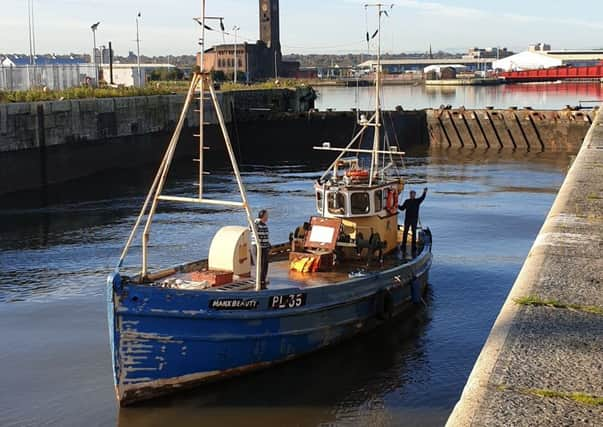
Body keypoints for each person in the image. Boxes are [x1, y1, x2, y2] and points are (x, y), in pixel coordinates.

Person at [398, 188, 428, 255]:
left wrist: (424, 192)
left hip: (414, 219)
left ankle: (414, 246)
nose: (412, 195)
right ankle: (403, 245)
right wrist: (397, 205)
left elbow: (422, 198)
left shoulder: (417, 201)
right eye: (411, 194)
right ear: (409, 195)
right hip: (407, 219)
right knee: (405, 232)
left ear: (415, 195)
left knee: (414, 232)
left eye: (413, 194)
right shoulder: (407, 201)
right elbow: (402, 208)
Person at [250, 209, 271, 289]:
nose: (268, 217)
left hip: (265, 246)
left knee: (265, 264)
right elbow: (251, 228)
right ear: (263, 216)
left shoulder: (264, 224)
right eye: (267, 215)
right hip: (257, 246)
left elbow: (265, 236)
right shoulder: (257, 223)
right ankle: (259, 280)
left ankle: (262, 279)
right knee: (259, 264)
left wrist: (268, 244)